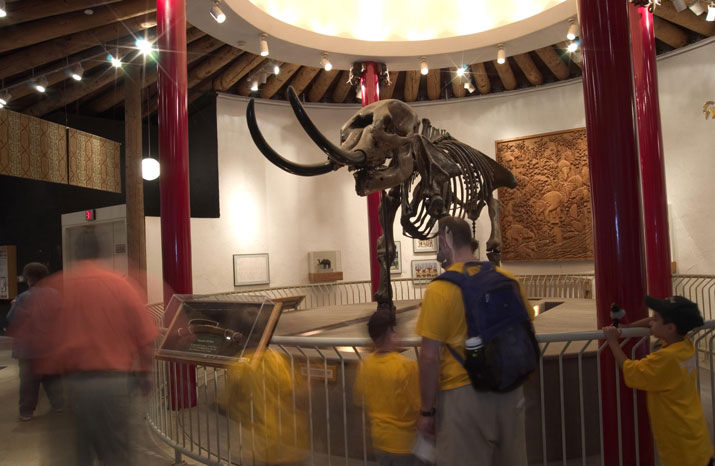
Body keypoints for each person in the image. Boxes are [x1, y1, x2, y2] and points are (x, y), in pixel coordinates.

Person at [415, 216, 532, 466]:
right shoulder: (509, 280)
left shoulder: (440, 289)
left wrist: (427, 410)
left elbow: (429, 356)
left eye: (439, 242)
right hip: (511, 390)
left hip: (464, 395)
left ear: (446, 240)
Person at [45, 228, 159, 466]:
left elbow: (50, 342)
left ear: (75, 252)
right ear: (101, 251)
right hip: (114, 385)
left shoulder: (61, 287)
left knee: (78, 454)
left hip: (74, 386)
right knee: (116, 453)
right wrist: (146, 373)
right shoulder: (122, 286)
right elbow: (144, 338)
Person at [603, 296, 714, 466]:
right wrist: (627, 327)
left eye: (656, 319)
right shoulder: (684, 345)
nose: (651, 321)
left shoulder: (665, 359)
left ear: (670, 328)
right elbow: (651, 323)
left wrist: (612, 341)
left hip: (680, 448)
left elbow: (629, 368)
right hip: (695, 438)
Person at [355, 309, 421, 466]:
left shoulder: (365, 365)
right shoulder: (405, 366)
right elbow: (419, 406)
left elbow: (362, 402)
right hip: (405, 443)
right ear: (391, 334)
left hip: (379, 440)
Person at [7, 262, 64, 421]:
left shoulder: (23, 298)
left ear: (28, 279)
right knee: (52, 378)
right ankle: (58, 405)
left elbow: (12, 318)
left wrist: (14, 304)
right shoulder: (56, 295)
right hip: (50, 347)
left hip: (27, 349)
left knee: (28, 384)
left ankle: (26, 412)